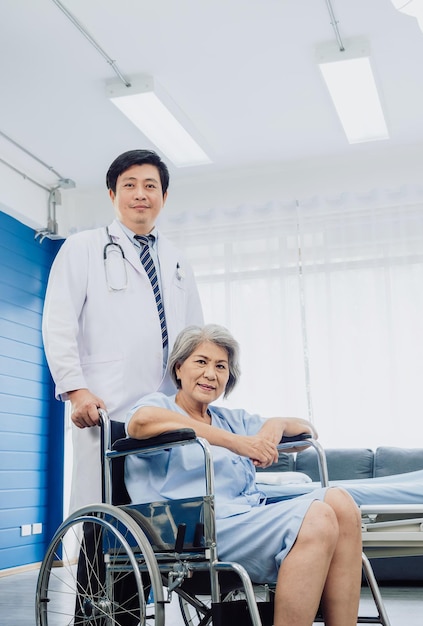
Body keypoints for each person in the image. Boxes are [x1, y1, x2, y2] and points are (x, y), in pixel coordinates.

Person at [125, 324, 363, 626]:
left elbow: (306, 430)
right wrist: (237, 442)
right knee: (318, 518)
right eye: (201, 362)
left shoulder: (230, 419)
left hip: (245, 517)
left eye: (221, 366)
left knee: (340, 500)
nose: (211, 374)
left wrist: (272, 427)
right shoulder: (158, 406)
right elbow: (139, 424)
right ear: (179, 368)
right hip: (191, 529)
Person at [42, 149, 204, 511]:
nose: (140, 194)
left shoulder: (178, 258)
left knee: (163, 513)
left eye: (150, 185)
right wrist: (76, 390)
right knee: (104, 510)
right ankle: (92, 571)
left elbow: (195, 333)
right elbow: (58, 324)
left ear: (164, 196)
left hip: (167, 407)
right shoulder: (82, 247)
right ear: (113, 195)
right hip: (107, 403)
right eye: (129, 185)